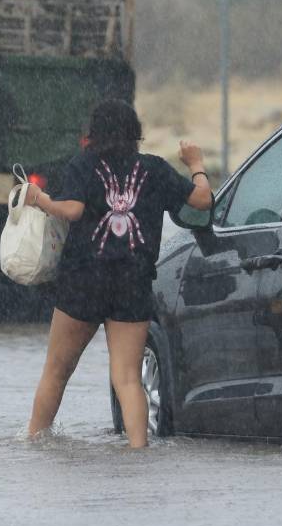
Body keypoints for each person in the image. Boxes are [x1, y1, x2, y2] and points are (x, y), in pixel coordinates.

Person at [24, 99, 213, 448]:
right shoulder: (154, 170)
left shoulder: (83, 164)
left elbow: (73, 209)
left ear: (93, 135)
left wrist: (40, 199)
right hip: (133, 280)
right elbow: (202, 201)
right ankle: (138, 451)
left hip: (83, 280)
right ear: (135, 134)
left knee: (56, 372)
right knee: (128, 378)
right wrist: (196, 164)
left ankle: (34, 445)